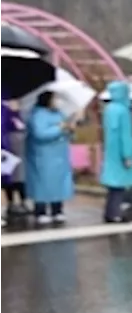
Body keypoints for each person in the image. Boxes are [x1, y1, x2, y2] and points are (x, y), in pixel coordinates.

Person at [24, 92, 74, 225]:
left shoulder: (60, 114)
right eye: (55, 99)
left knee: (58, 183)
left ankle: (57, 209)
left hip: (60, 156)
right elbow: (40, 134)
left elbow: (67, 132)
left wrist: (70, 129)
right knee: (42, 183)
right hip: (43, 156)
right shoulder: (37, 115)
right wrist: (59, 128)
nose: (57, 102)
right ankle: (40, 210)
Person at [99, 80, 132, 223]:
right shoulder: (124, 111)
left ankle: (109, 211)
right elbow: (125, 135)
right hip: (121, 153)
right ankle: (115, 213)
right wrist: (128, 155)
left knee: (113, 185)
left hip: (111, 152)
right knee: (120, 185)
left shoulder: (108, 109)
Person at [1, 101, 30, 220]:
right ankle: (11, 203)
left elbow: (24, 128)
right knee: (9, 179)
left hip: (21, 152)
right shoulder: (4, 114)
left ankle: (23, 202)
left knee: (21, 179)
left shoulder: (21, 115)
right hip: (7, 150)